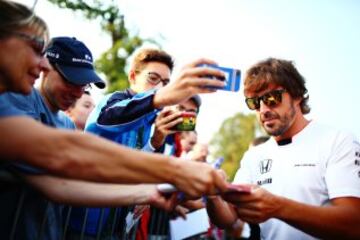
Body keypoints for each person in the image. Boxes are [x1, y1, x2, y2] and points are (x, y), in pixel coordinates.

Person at [0, 1, 228, 197]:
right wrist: (177, 169)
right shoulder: (12, 101)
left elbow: (59, 187)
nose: (42, 64)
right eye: (35, 48)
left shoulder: (66, 123)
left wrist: (147, 192)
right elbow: (67, 151)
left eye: (84, 84)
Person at [206, 58, 360, 239]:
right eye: (254, 103)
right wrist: (212, 194)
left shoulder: (337, 140)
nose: (263, 110)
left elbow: (354, 224)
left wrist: (278, 207)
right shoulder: (254, 155)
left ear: (297, 96)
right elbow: (229, 217)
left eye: (271, 98)